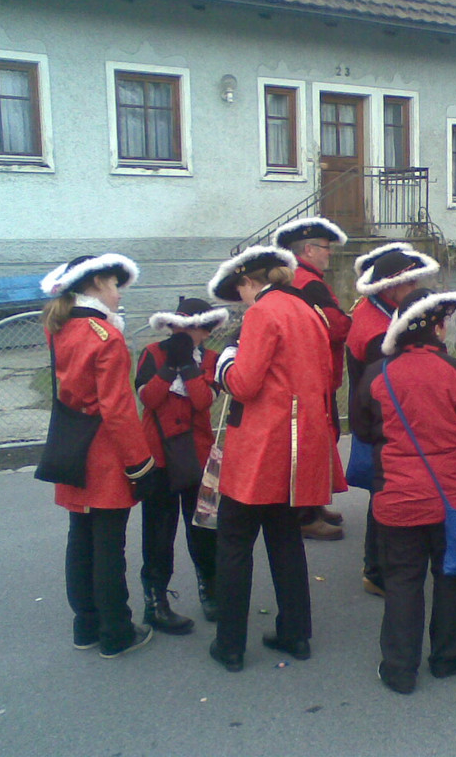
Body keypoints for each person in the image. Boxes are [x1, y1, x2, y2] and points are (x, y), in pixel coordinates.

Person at [350, 289, 456, 694]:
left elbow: (363, 429)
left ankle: (399, 668)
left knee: (402, 580)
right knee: (453, 577)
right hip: (454, 496)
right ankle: (448, 657)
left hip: (396, 496)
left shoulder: (376, 374)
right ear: (437, 326)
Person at [205, 245, 336, 672]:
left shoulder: (262, 312)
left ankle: (230, 644)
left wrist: (225, 362)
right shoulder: (309, 310)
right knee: (285, 541)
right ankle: (295, 634)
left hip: (259, 447)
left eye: (240, 290)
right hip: (298, 447)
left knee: (234, 544)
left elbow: (244, 384)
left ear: (248, 281)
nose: (242, 300)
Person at [39, 253, 160, 658]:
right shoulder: (104, 336)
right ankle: (116, 631)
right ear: (95, 285)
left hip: (71, 444)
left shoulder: (59, 326)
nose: (118, 295)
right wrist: (140, 464)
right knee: (109, 545)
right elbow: (119, 411)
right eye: (114, 285)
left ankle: (86, 626)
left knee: (80, 538)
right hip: (104, 454)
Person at [346, 244, 440, 597]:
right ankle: (377, 569)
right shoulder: (376, 330)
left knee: (382, 492)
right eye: (410, 282)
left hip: (374, 418)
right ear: (392, 286)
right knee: (384, 495)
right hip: (383, 422)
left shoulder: (372, 311)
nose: (415, 287)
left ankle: (377, 566)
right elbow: (389, 382)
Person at [136, 298, 229, 628]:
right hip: (159, 456)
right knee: (158, 533)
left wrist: (187, 366)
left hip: (197, 455)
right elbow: (149, 399)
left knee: (203, 529)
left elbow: (203, 401)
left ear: (205, 331)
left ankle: (211, 590)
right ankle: (155, 602)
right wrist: (168, 367)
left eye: (194, 328)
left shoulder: (212, 359)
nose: (185, 333)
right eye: (180, 326)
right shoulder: (152, 353)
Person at [275, 216, 353, 541]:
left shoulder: (300, 279)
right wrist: (349, 318)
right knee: (311, 445)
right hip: (313, 377)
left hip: (308, 375)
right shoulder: (310, 283)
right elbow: (334, 325)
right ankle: (305, 513)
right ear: (308, 250)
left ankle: (314, 504)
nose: (329, 253)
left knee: (316, 443)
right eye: (325, 247)